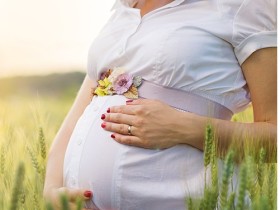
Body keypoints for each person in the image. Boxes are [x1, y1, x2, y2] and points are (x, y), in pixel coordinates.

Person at [43, 0, 277, 209]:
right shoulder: (123, 9)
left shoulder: (246, 5)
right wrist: (52, 188)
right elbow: (77, 116)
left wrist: (184, 127)